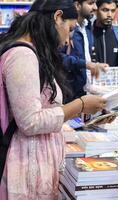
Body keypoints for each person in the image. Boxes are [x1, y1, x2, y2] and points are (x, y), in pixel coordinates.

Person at [0, 0, 108, 199]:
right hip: (25, 165)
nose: (68, 40)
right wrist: (80, 104)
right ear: (58, 17)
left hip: (33, 160)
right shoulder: (23, 55)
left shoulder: (33, 52)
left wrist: (87, 112)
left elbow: (43, 107)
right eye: (70, 28)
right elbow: (30, 121)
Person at [62, 0, 108, 100]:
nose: (95, 7)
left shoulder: (87, 27)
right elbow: (58, 58)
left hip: (84, 93)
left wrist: (95, 66)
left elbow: (86, 56)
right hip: (68, 95)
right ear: (77, 5)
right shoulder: (65, 28)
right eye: (91, 3)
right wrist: (85, 64)